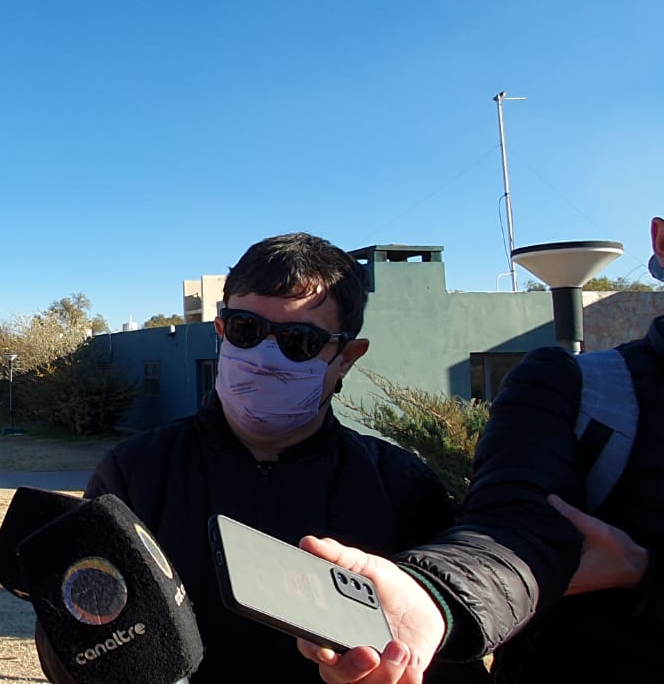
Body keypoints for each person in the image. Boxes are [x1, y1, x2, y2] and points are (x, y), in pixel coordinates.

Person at [299, 140, 664, 684]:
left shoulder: (391, 473)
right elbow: (513, 531)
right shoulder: (571, 388)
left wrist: (650, 576)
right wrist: (431, 596)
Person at [72, 233, 487, 682]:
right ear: (221, 333)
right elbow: (82, 647)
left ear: (347, 357)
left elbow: (445, 663)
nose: (264, 356)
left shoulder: (402, 486)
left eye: (299, 340)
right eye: (245, 329)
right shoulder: (134, 471)